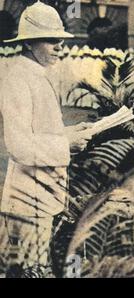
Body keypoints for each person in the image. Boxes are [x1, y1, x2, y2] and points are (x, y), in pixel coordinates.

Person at [0, 1, 92, 275]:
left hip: (44, 195)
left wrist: (72, 133)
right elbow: (19, 146)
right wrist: (66, 144)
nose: (59, 47)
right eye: (51, 41)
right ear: (29, 43)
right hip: (28, 200)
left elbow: (40, 132)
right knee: (31, 272)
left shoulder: (37, 73)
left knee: (39, 269)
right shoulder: (17, 77)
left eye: (60, 40)